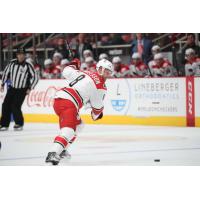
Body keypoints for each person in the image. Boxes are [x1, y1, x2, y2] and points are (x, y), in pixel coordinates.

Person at [45, 59, 113, 165]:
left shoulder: (84, 72)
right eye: (106, 71)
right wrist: (97, 114)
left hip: (60, 98)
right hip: (69, 102)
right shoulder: (100, 86)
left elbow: (66, 71)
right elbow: (97, 110)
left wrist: (74, 64)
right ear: (99, 69)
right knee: (69, 130)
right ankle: (53, 152)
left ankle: (62, 150)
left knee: (79, 125)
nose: (107, 75)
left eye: (109, 72)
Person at [0, 48, 39, 131]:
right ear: (17, 55)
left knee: (15, 106)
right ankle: (4, 124)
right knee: (5, 105)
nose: (21, 56)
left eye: (22, 54)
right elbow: (5, 73)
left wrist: (30, 88)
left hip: (22, 89)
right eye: (19, 54)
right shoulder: (12, 63)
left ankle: (19, 124)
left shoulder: (28, 65)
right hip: (12, 88)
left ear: (24, 55)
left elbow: (36, 77)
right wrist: (2, 84)